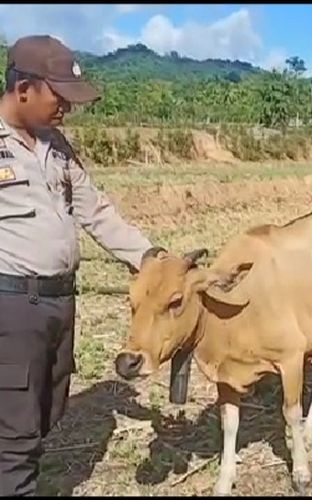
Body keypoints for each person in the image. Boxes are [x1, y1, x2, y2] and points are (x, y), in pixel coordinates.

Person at [0, 35, 162, 496]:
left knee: (45, 414)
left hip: (58, 305)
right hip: (10, 308)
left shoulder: (57, 146)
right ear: (24, 89)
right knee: (13, 437)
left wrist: (150, 257)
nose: (66, 109)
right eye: (59, 98)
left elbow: (96, 212)